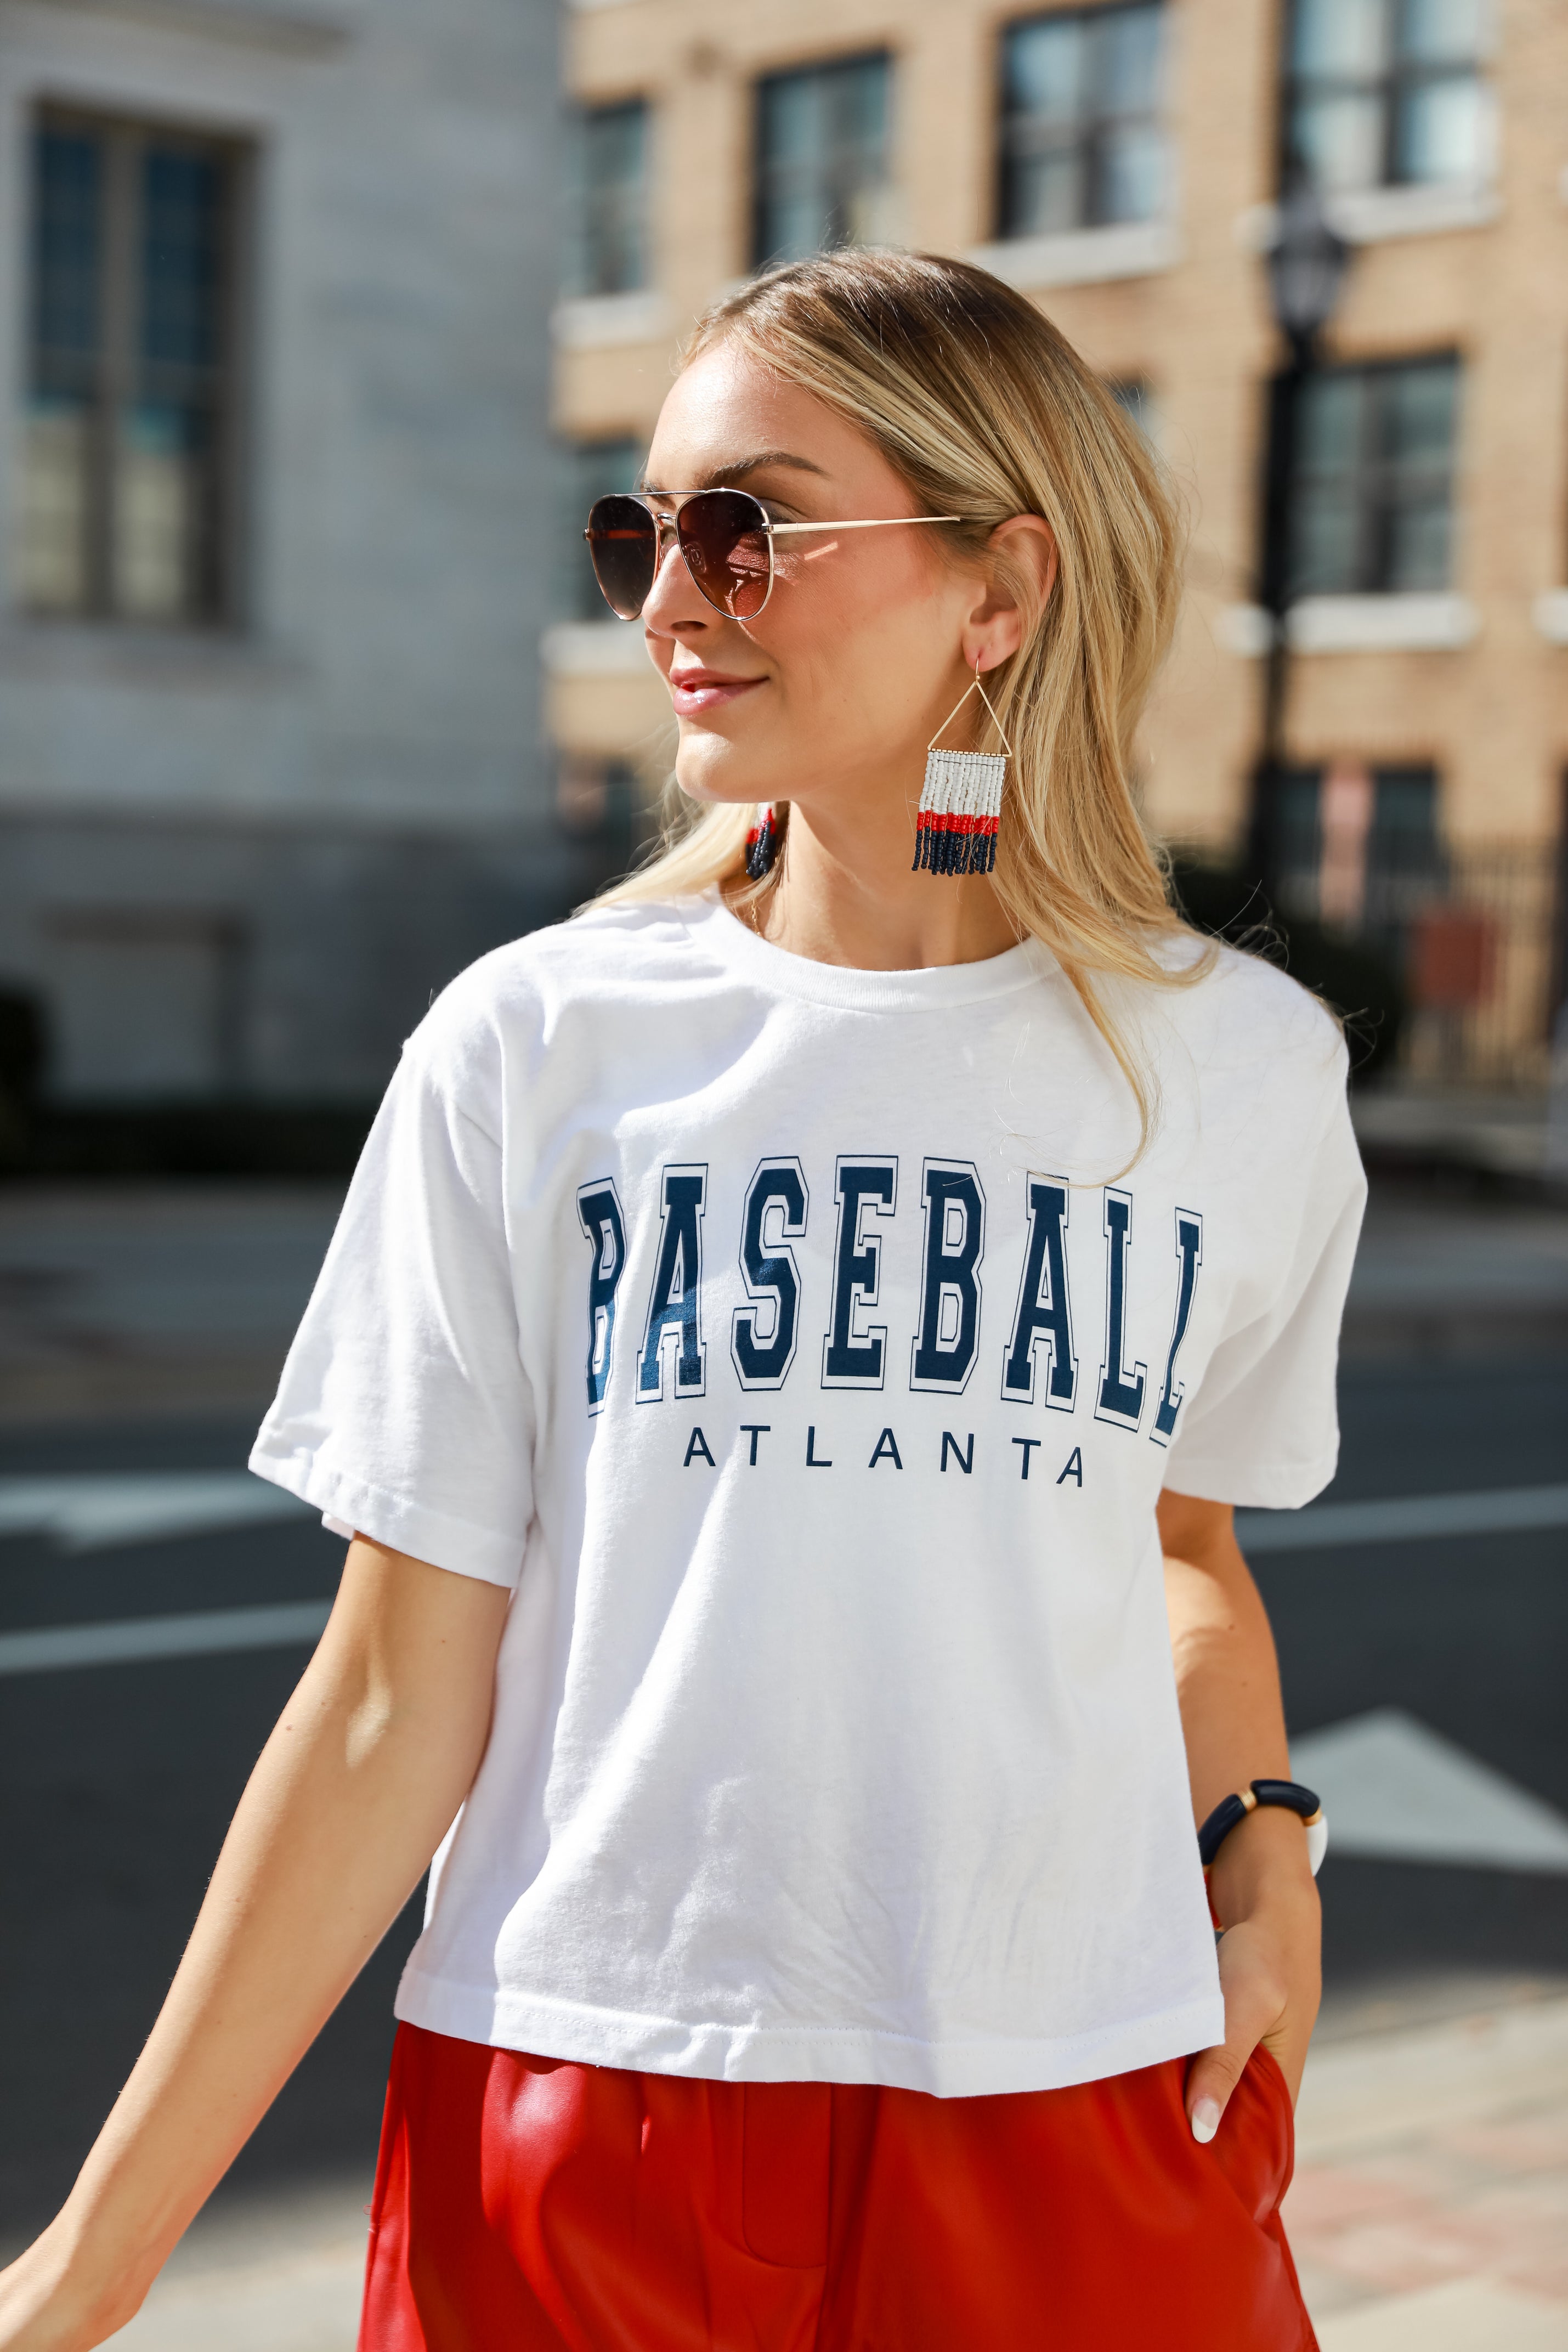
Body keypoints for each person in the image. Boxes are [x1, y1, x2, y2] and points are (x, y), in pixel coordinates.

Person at [0, 250, 1363, 2352]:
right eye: (641, 530)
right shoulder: (535, 1045)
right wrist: (90, 2268)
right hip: (581, 2108)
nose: (666, 599)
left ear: (999, 589)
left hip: (1086, 2093)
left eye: (748, 528)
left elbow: (1180, 1548)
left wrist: (1261, 1854)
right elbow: (387, 1692)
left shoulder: (1244, 1070)